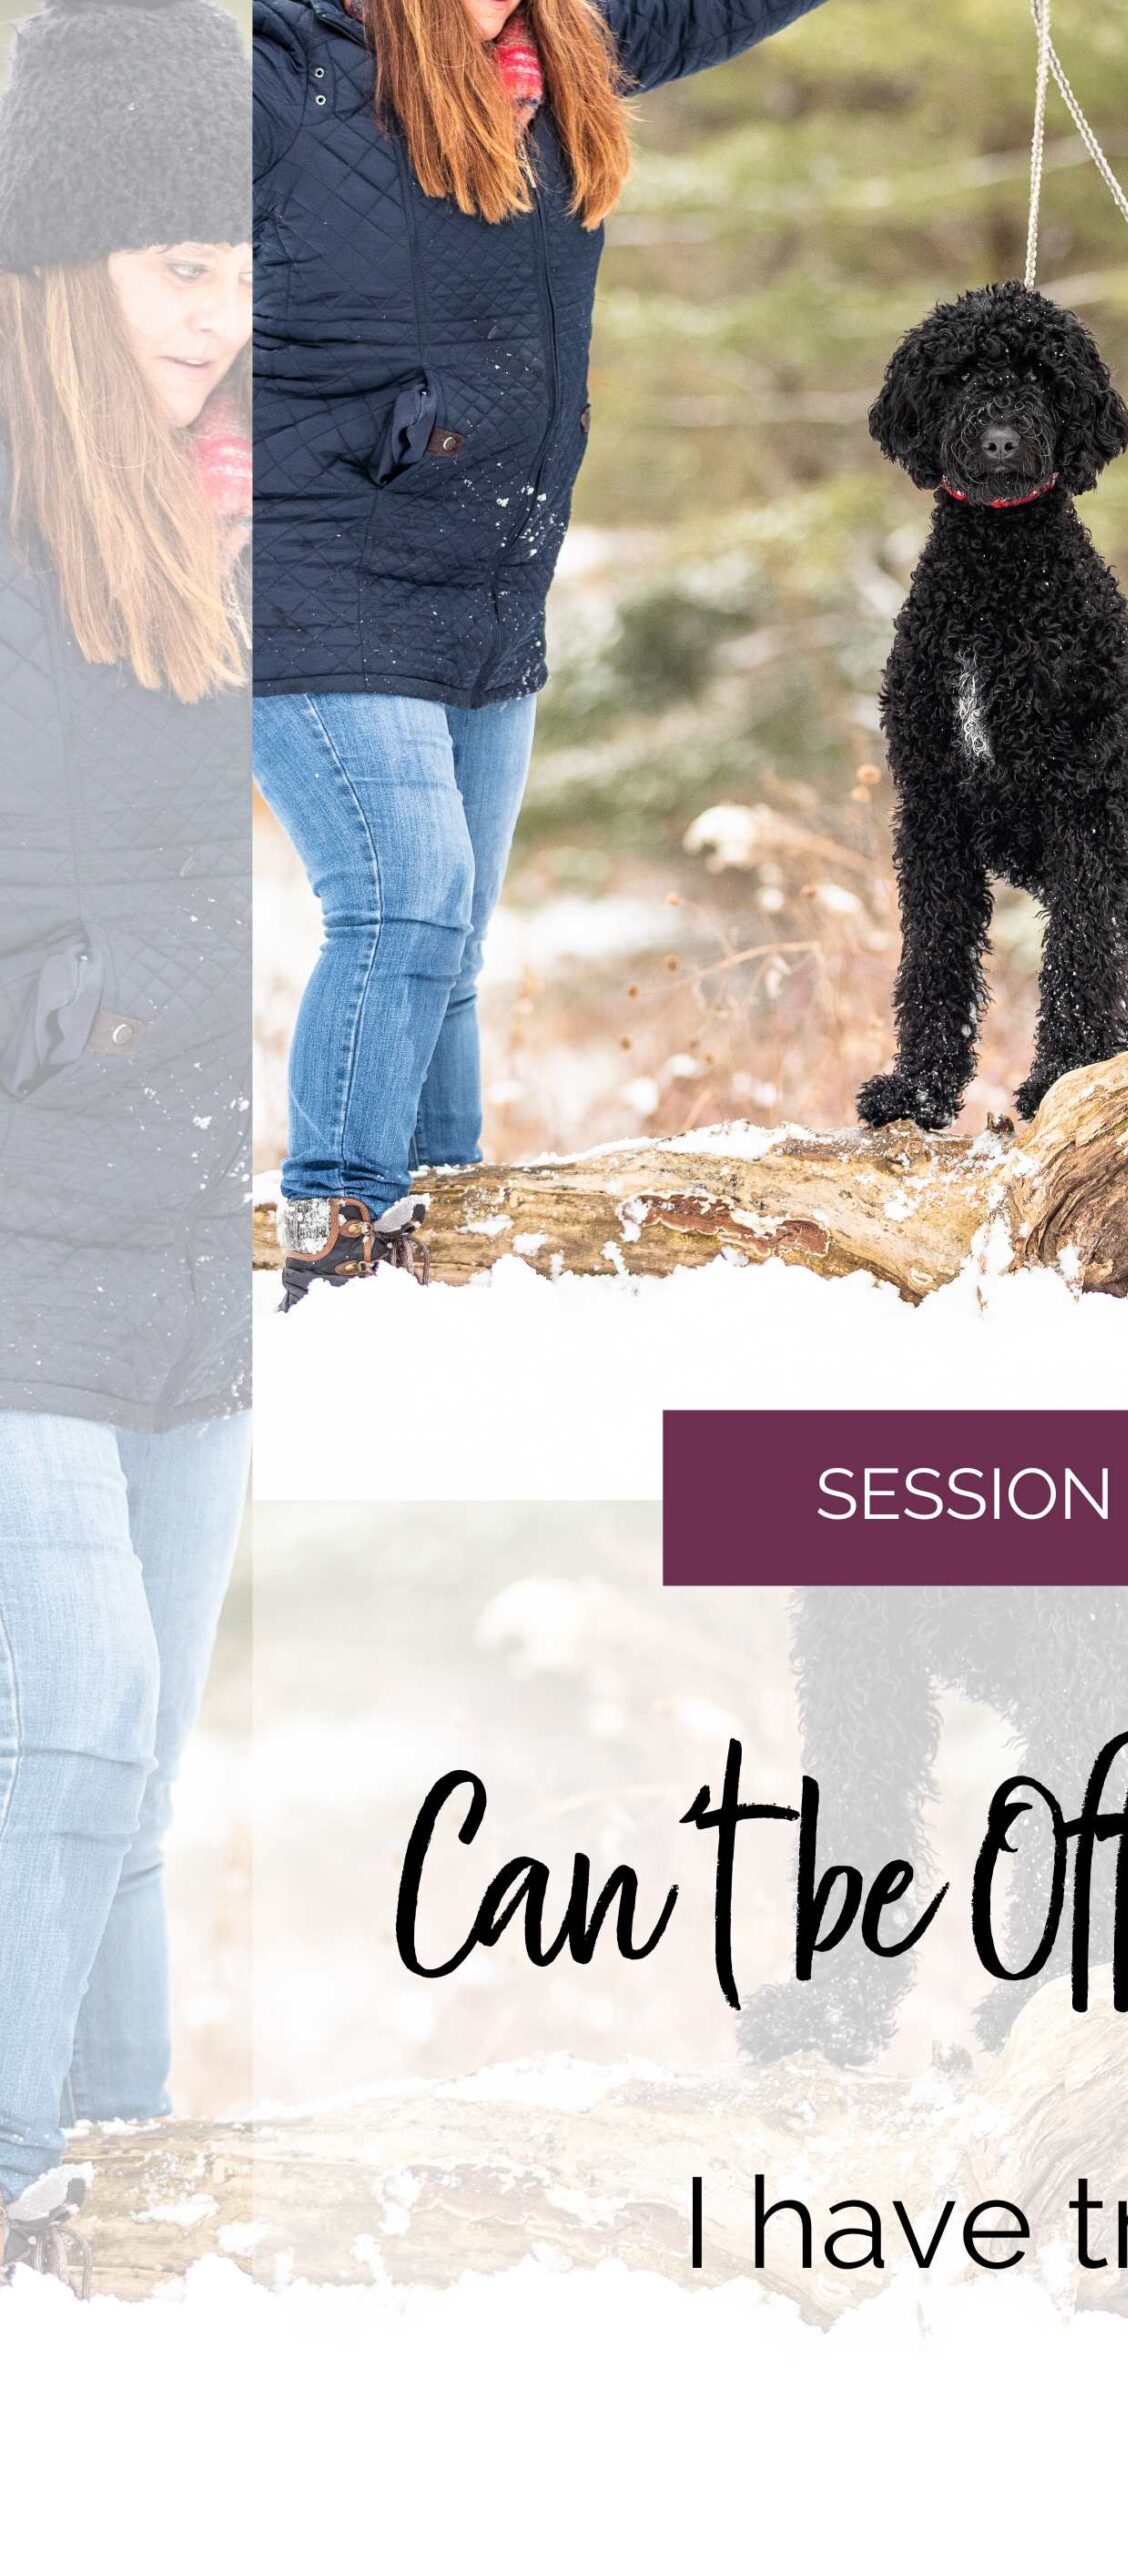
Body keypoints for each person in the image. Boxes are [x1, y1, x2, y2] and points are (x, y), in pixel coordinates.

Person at [253, 0, 827, 1304]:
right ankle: (336, 1239)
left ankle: (439, 1240)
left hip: (486, 579)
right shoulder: (295, 61)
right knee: (402, 894)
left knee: (446, 941)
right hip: (308, 555)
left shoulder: (570, 39)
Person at [0, 0, 253, 2287]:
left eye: (243, 262)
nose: (223, 313)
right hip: (12, 1225)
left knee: (139, 1785)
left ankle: (124, 2213)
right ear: (61, 269)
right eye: (179, 261)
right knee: (59, 1720)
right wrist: (62, 1008)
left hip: (178, 1235)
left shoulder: (201, 529)